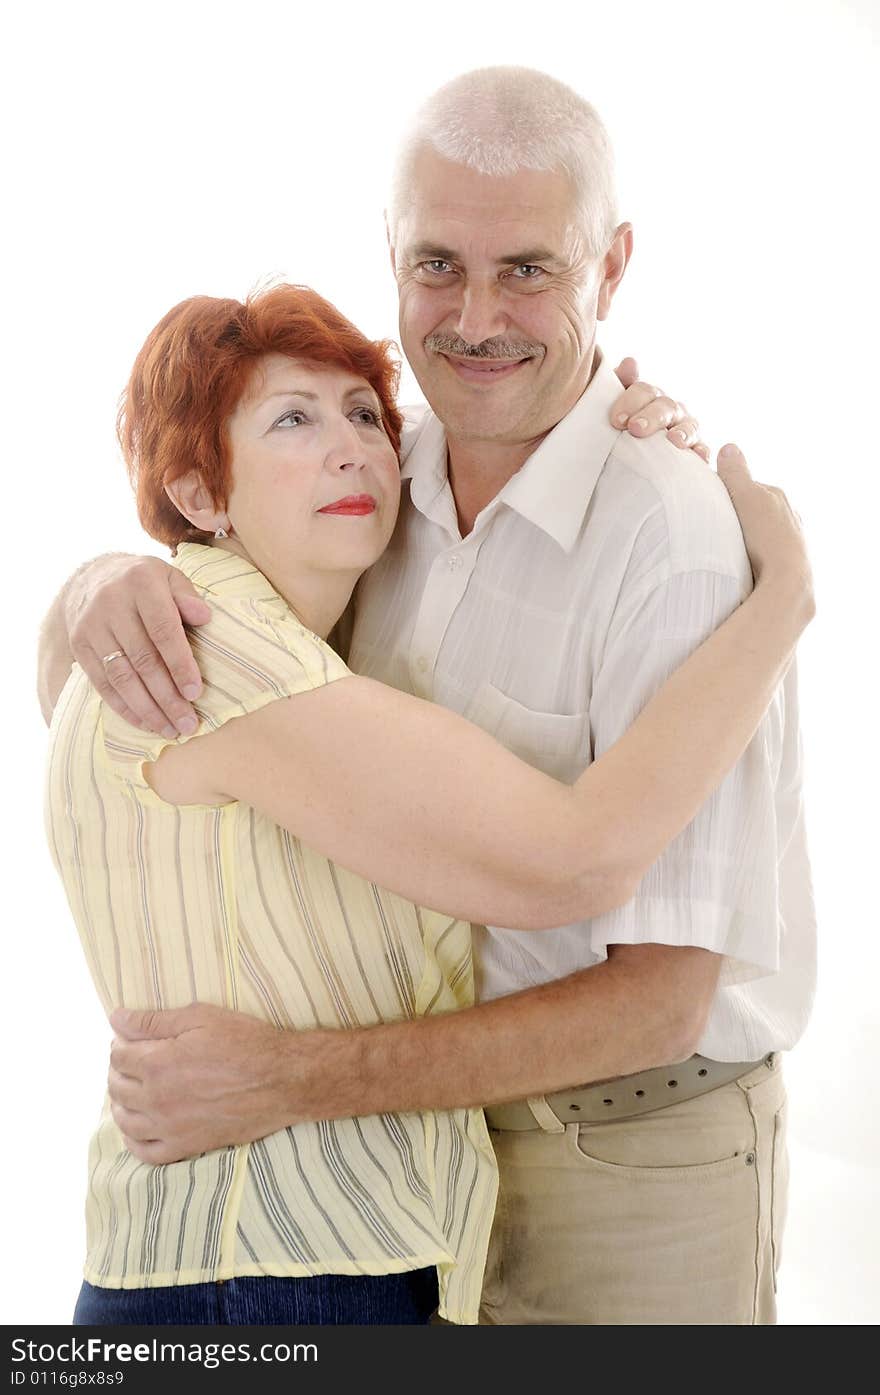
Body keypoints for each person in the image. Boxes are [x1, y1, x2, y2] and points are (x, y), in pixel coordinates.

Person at [40, 67, 815, 1326]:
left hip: (619, 1161)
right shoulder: (369, 497)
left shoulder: (670, 537)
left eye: (530, 270)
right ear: (390, 258)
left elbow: (656, 989)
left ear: (610, 269)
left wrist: (778, 599)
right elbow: (143, 694)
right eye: (437, 265)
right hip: (381, 1185)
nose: (474, 316)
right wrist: (88, 586)